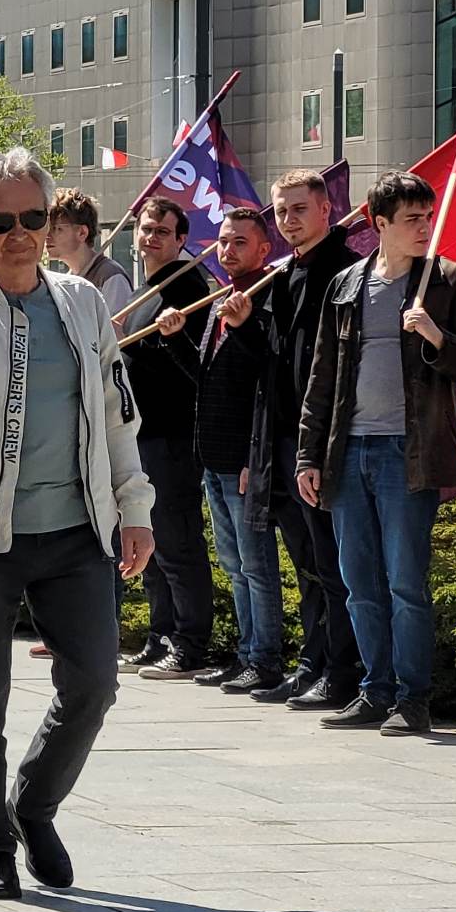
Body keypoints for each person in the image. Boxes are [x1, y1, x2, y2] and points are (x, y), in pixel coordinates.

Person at [0, 147, 156, 901]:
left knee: (95, 685)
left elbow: (115, 415)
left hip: (78, 531)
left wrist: (134, 509)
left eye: (33, 219)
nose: (20, 234)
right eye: (2, 221)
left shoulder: (81, 303)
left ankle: (32, 806)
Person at [295, 172, 456, 736]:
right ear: (378, 223)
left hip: (409, 452)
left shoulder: (448, 282)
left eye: (427, 217)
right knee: (358, 582)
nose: (425, 228)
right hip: (346, 452)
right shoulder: (346, 285)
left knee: (406, 581)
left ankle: (413, 699)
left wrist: (436, 336)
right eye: (412, 219)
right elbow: (322, 378)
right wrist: (308, 455)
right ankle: (374, 690)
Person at [258, 171, 366, 708]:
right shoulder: (283, 277)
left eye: (299, 208)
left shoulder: (344, 271)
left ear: (327, 209)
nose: (289, 220)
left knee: (332, 564)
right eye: (281, 212)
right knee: (305, 562)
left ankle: (342, 670)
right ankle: (314, 661)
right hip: (284, 440)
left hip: (325, 440)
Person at [111, 196, 216, 680]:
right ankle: (160, 635)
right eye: (146, 228)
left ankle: (190, 644)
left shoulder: (188, 286)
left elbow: (194, 370)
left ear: (180, 240)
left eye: (161, 231)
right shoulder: (145, 290)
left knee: (176, 541)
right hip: (140, 432)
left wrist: (167, 338)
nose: (151, 236)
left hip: (171, 436)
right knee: (148, 543)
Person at [190, 207, 287, 694]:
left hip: (246, 459)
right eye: (224, 242)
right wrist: (172, 343)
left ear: (264, 249)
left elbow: (268, 378)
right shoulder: (218, 302)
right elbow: (210, 380)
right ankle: (246, 652)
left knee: (256, 563)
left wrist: (256, 457)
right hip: (214, 455)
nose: (228, 251)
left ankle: (266, 658)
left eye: (240, 243)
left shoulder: (268, 299)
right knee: (232, 562)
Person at [44, 188, 136, 317]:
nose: (47, 236)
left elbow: (118, 333)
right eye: (46, 228)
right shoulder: (67, 280)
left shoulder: (110, 277)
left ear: (82, 233)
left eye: (56, 229)